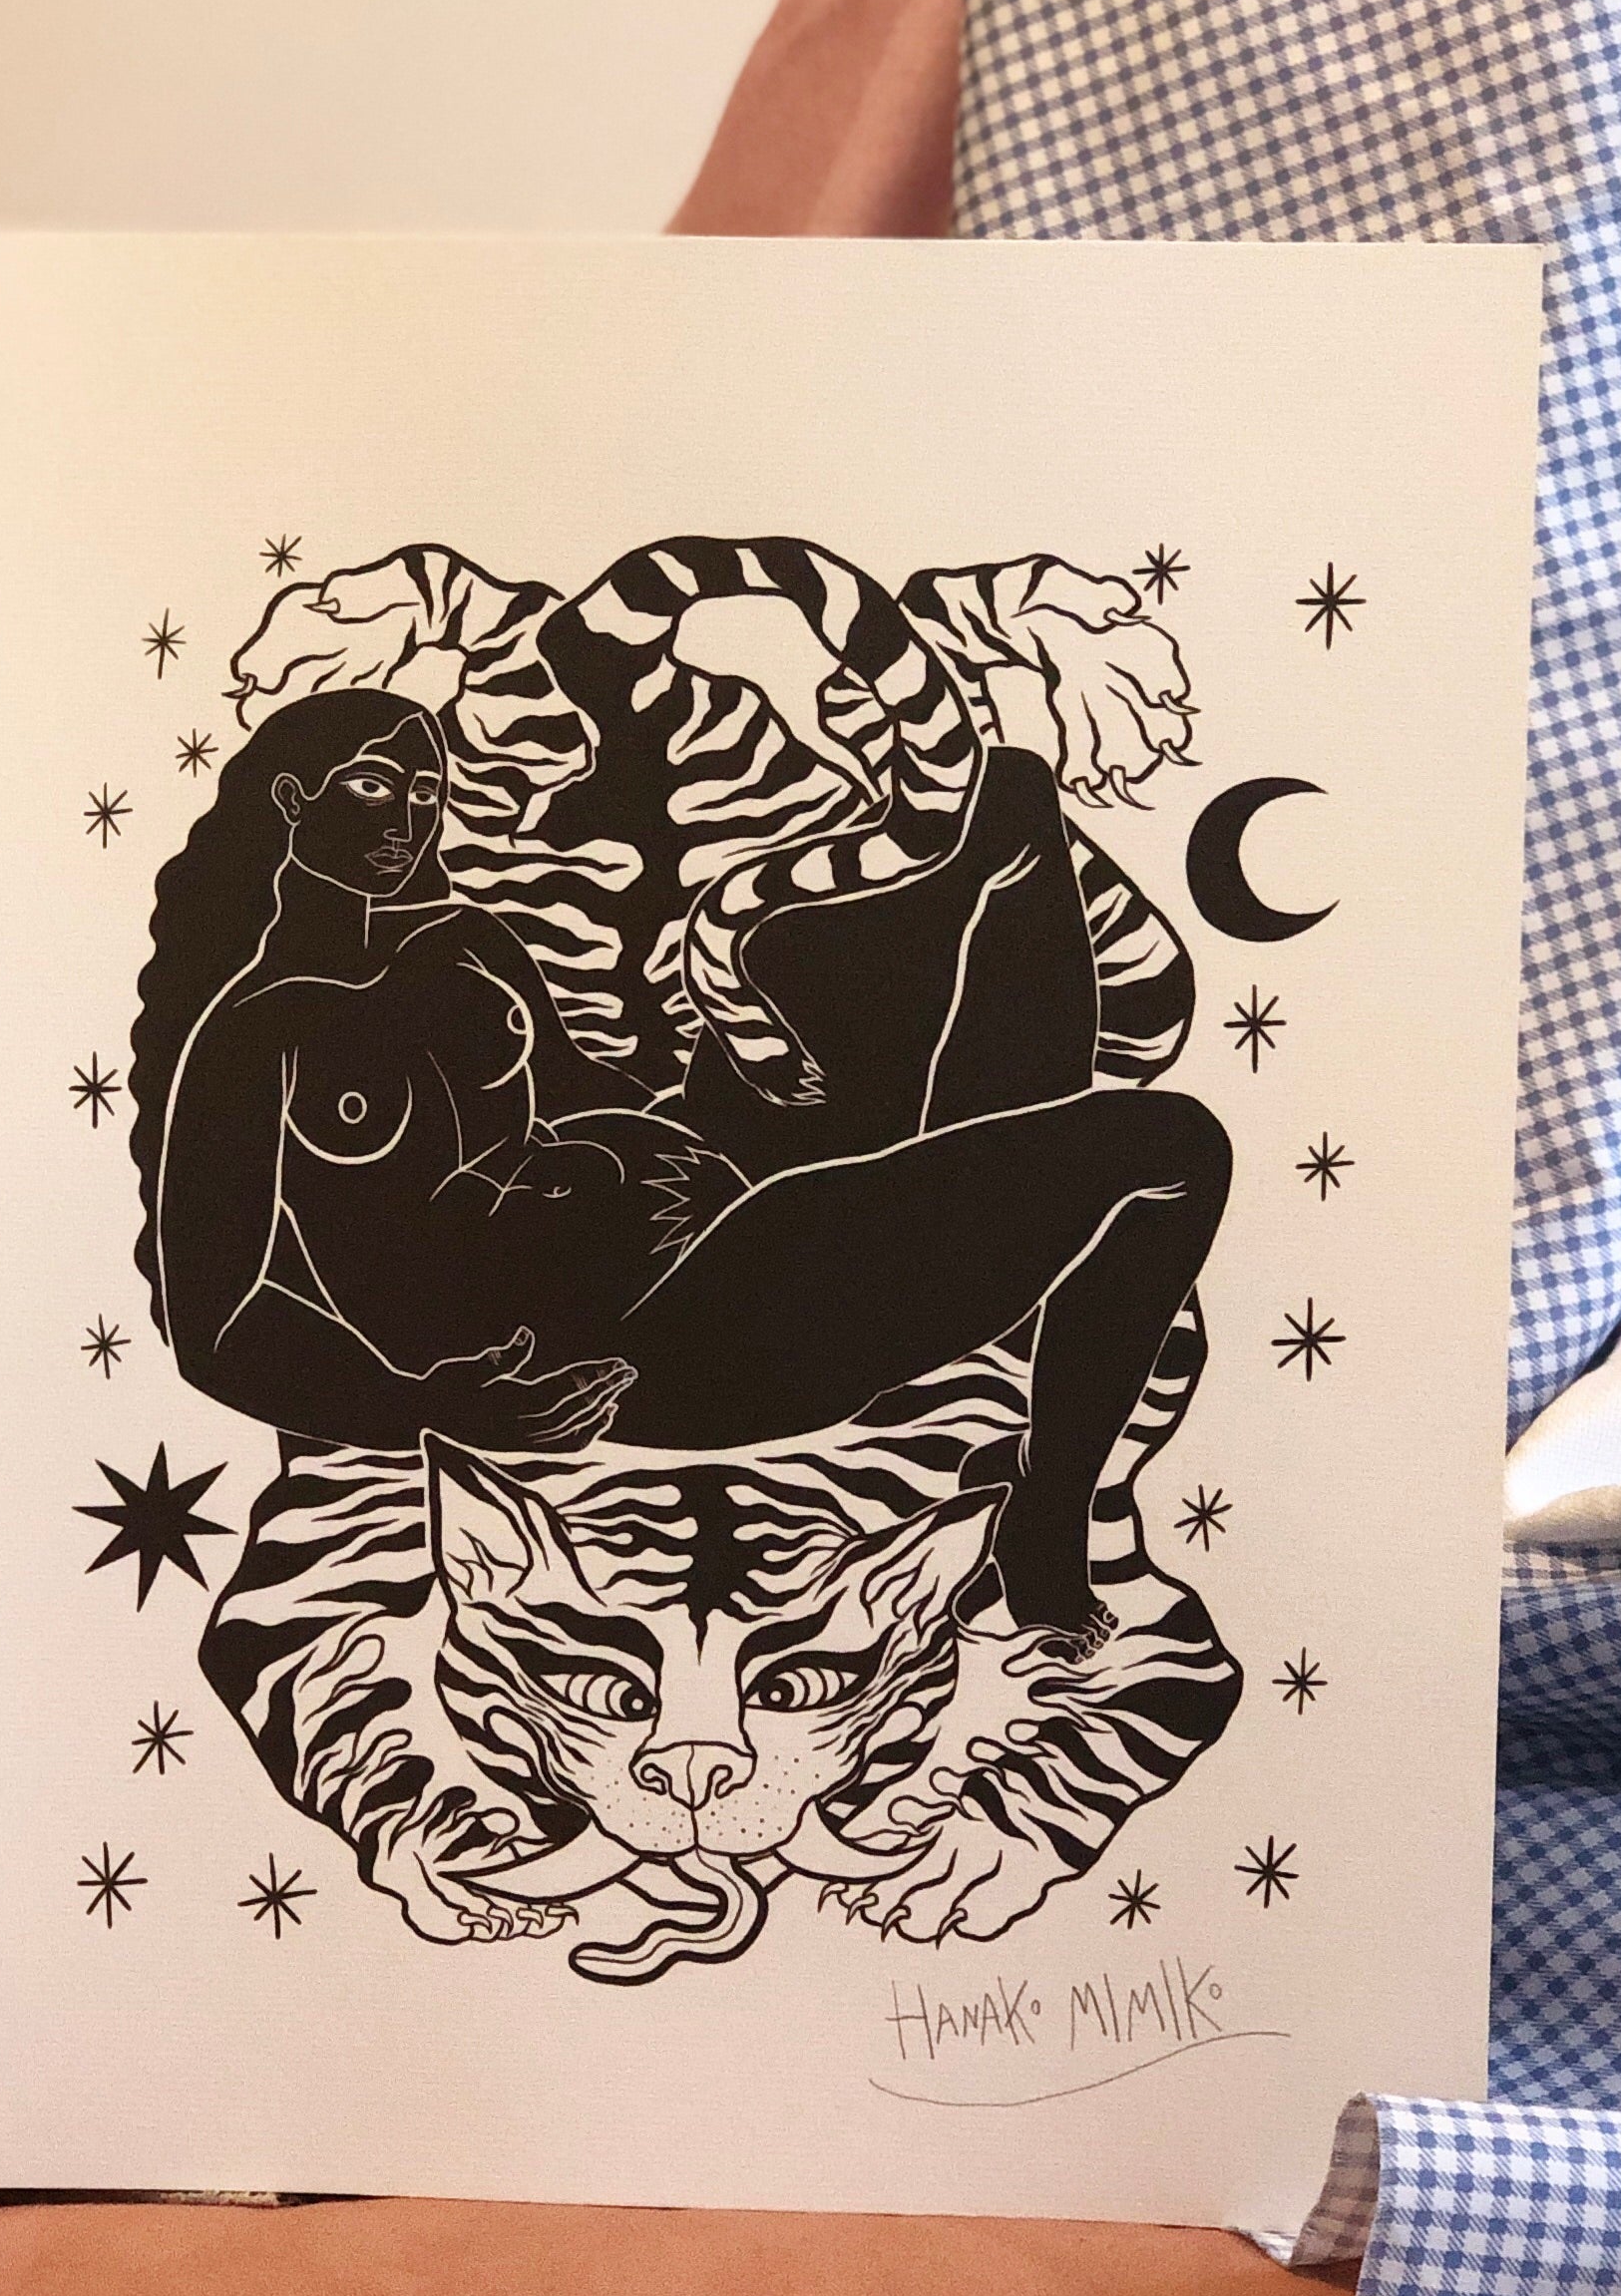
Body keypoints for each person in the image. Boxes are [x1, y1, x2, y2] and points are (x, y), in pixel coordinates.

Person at [131, 686, 1227, 1639]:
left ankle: (1006, 1224)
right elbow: (215, 1324)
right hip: (657, 1342)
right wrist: (422, 1407)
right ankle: (1048, 1514)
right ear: (293, 802)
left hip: (705, 1204)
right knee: (1174, 1148)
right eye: (374, 788)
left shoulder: (466, 941)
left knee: (1006, 799)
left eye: (426, 793)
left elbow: (587, 1099)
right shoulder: (252, 1037)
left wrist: (744, 1059)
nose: (408, 819)